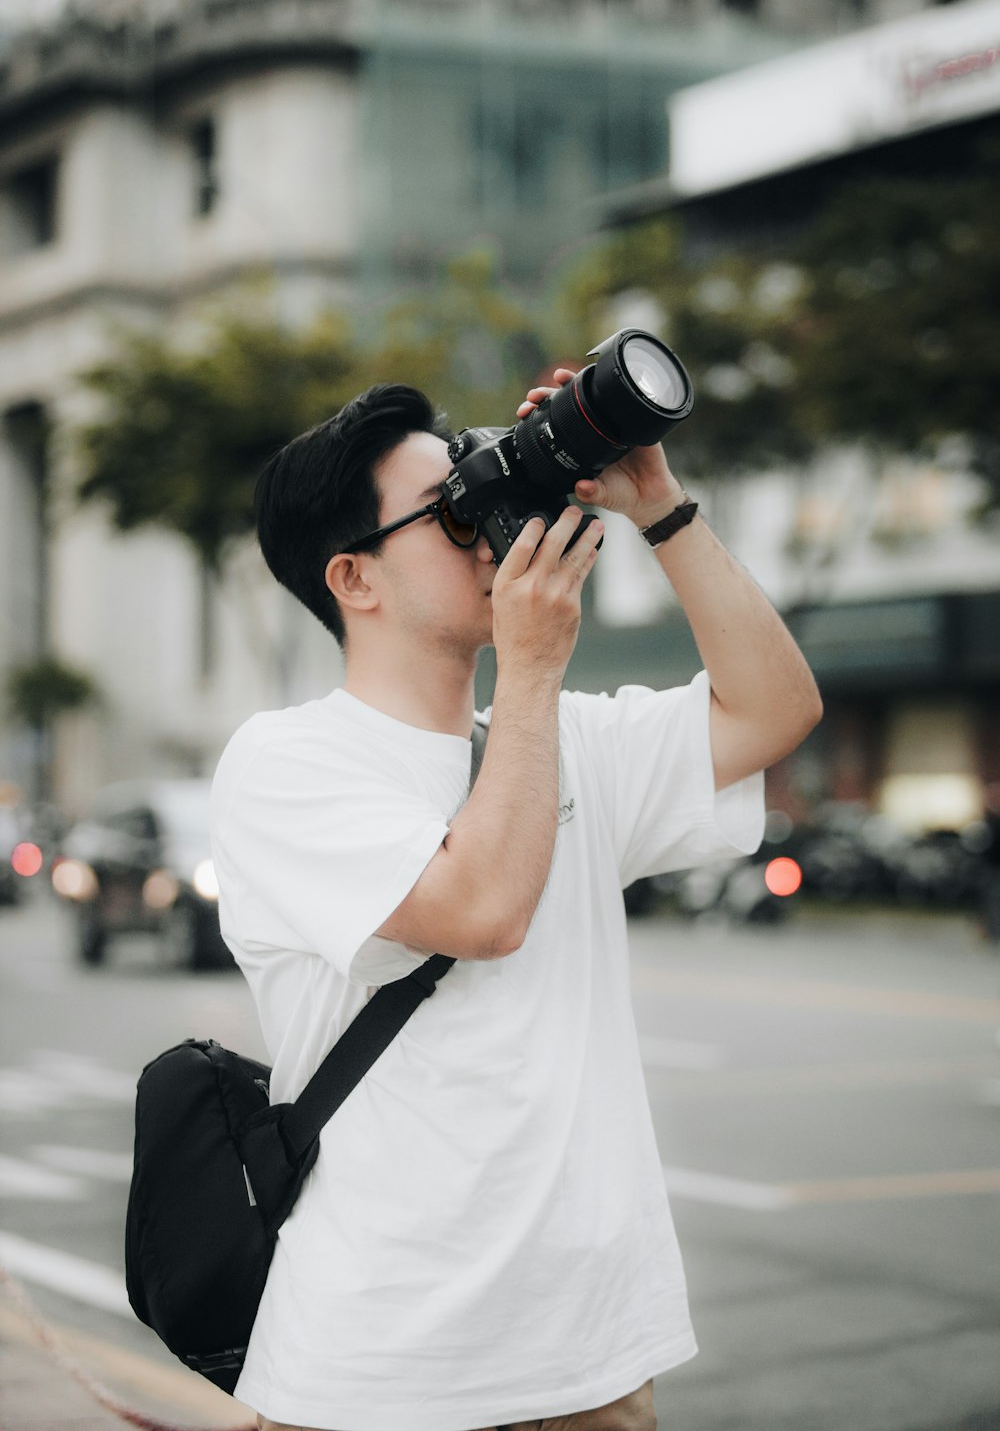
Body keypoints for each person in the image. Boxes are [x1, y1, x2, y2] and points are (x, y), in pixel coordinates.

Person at [210, 369, 823, 1431]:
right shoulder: (287, 761)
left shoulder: (556, 738)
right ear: (353, 580)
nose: (487, 525)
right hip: (382, 1376)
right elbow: (481, 913)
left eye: (475, 482)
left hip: (591, 1362)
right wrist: (533, 670)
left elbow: (776, 709)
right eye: (451, 514)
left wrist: (659, 507)